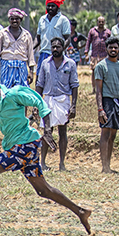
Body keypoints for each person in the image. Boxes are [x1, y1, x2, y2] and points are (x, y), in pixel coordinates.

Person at [0, 58, 92, 234]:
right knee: (43, 190)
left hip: (26, 145)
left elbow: (40, 103)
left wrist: (48, 131)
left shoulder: (12, 95)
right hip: (16, 147)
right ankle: (80, 212)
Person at [36, 37, 79, 172]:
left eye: (58, 47)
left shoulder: (70, 64)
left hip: (62, 100)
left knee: (62, 132)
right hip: (48, 100)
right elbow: (39, 85)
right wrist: (36, 104)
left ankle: (61, 163)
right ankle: (42, 163)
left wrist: (73, 105)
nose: (55, 49)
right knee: (47, 132)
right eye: (53, 47)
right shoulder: (45, 63)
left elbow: (75, 86)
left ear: (63, 48)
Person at [94, 37, 119, 174]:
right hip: (107, 102)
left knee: (113, 135)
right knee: (105, 133)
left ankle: (108, 165)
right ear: (106, 49)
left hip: (117, 103)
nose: (113, 50)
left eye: (116, 47)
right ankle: (105, 167)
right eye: (111, 47)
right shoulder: (101, 66)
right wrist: (100, 109)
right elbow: (98, 90)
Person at [0, 8, 36, 88]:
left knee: (22, 92)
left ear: (21, 20)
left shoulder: (26, 35)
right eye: (12, 19)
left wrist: (31, 71)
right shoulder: (2, 33)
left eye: (17, 19)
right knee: (5, 91)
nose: (14, 21)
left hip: (21, 67)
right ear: (9, 20)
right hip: (6, 66)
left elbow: (30, 55)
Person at [35, 0, 70, 78]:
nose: (50, 8)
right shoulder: (42, 19)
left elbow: (67, 38)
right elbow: (38, 38)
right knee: (40, 78)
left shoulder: (63, 20)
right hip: (44, 53)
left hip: (57, 55)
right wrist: (31, 48)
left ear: (57, 7)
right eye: (48, 5)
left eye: (53, 6)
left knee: (57, 77)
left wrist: (60, 49)